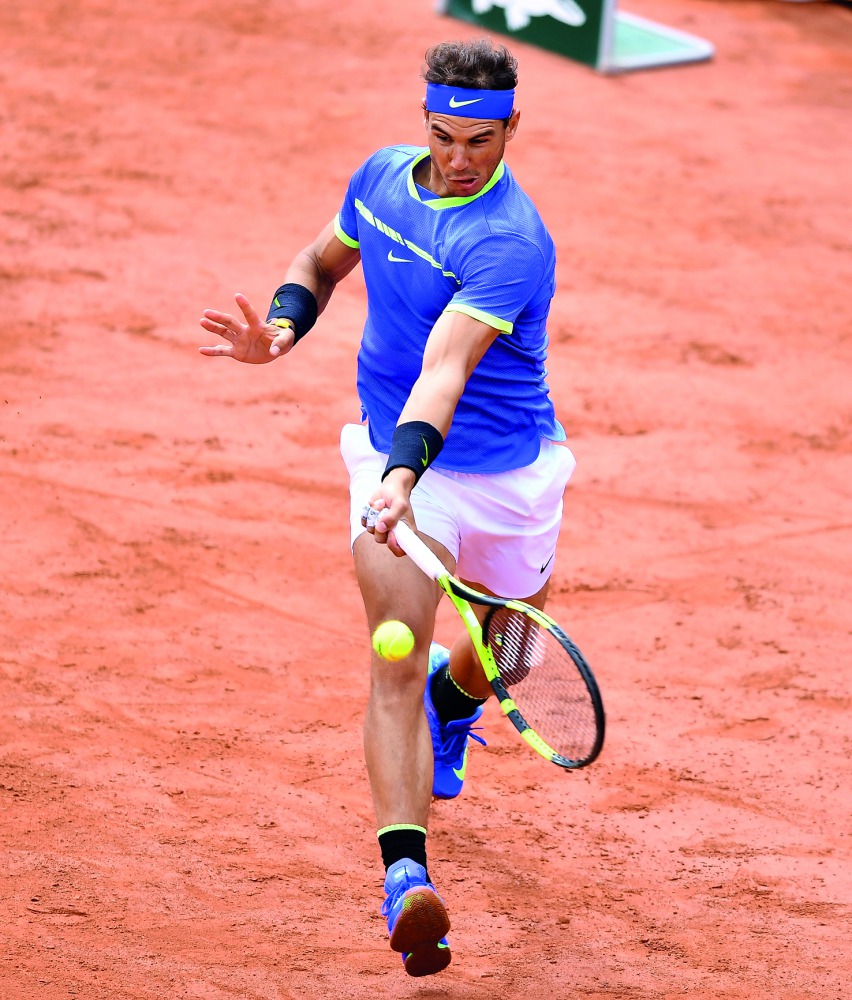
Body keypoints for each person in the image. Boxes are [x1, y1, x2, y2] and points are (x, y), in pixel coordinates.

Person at [199, 37, 575, 978]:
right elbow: (322, 260)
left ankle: (460, 704)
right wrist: (283, 327)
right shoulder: (379, 179)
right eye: (446, 138)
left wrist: (411, 467)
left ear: (512, 128)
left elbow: (445, 371)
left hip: (502, 474)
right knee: (391, 653)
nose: (460, 158)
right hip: (394, 458)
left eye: (482, 140)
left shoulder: (510, 240)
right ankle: (406, 881)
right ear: (425, 125)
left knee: (511, 651)